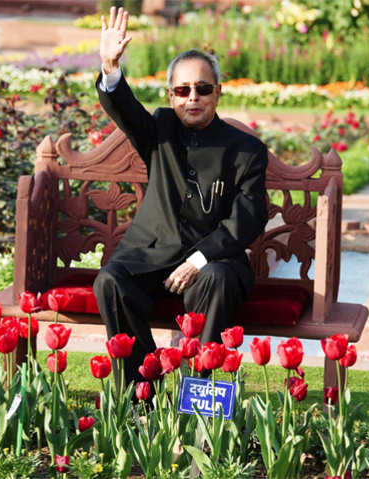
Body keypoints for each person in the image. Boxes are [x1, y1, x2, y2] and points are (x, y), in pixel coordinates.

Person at [93, 6, 269, 387]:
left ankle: (201, 396)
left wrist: (199, 258)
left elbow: (249, 217)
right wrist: (110, 67)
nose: (194, 98)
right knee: (111, 279)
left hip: (213, 262)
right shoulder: (159, 128)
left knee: (219, 278)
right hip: (152, 256)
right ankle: (143, 387)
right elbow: (123, 108)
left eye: (203, 89)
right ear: (171, 95)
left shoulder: (246, 150)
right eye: (183, 90)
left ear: (218, 93)